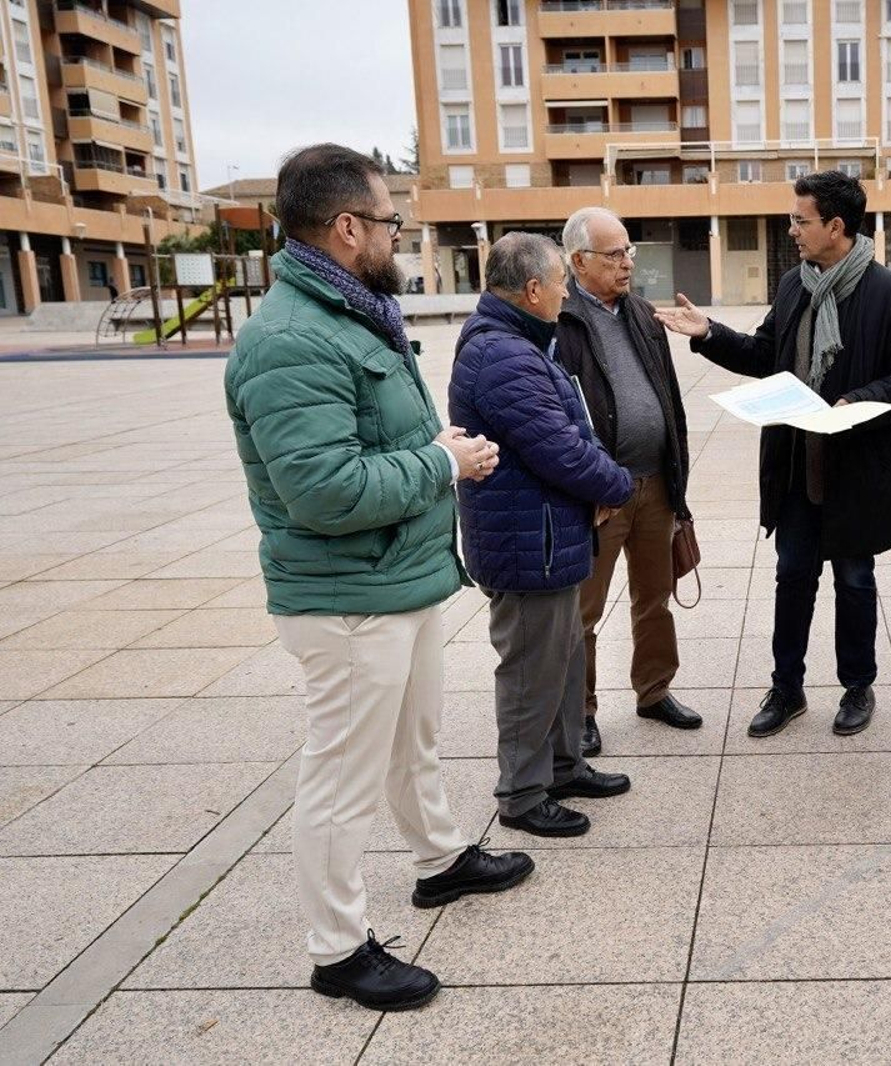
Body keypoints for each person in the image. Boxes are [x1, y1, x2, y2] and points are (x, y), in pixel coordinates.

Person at [224, 144, 532, 1012]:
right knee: (340, 780)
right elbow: (323, 492)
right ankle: (336, 950)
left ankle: (439, 861)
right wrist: (441, 462)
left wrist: (439, 458)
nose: (400, 233)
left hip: (397, 580)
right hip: (346, 596)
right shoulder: (292, 338)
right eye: (391, 220)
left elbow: (370, 446)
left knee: (413, 741)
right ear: (348, 228)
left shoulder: (352, 311)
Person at [656, 170, 891, 737]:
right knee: (792, 577)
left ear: (836, 225)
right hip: (794, 466)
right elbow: (765, 354)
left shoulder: (888, 293)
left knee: (855, 579)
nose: (793, 230)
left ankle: (857, 687)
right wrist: (708, 332)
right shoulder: (794, 285)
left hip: (856, 467)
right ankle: (787, 689)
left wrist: (858, 398)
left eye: (801, 221)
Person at [450, 233, 637, 839]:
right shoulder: (504, 355)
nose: (565, 292)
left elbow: (569, 428)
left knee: (564, 657)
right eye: (560, 282)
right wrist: (617, 485)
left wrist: (600, 479)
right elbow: (558, 449)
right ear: (533, 290)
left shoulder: (524, 342)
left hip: (549, 537)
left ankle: (562, 767)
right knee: (532, 671)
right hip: (529, 544)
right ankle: (523, 794)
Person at [555, 208, 699, 758]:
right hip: (599, 492)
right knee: (583, 611)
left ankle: (655, 690)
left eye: (628, 252)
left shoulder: (641, 313)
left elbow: (668, 401)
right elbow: (561, 417)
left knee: (655, 597)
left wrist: (678, 481)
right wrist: (588, 482)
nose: (626, 264)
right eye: (614, 255)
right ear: (578, 262)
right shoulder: (561, 321)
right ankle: (582, 709)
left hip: (656, 483)